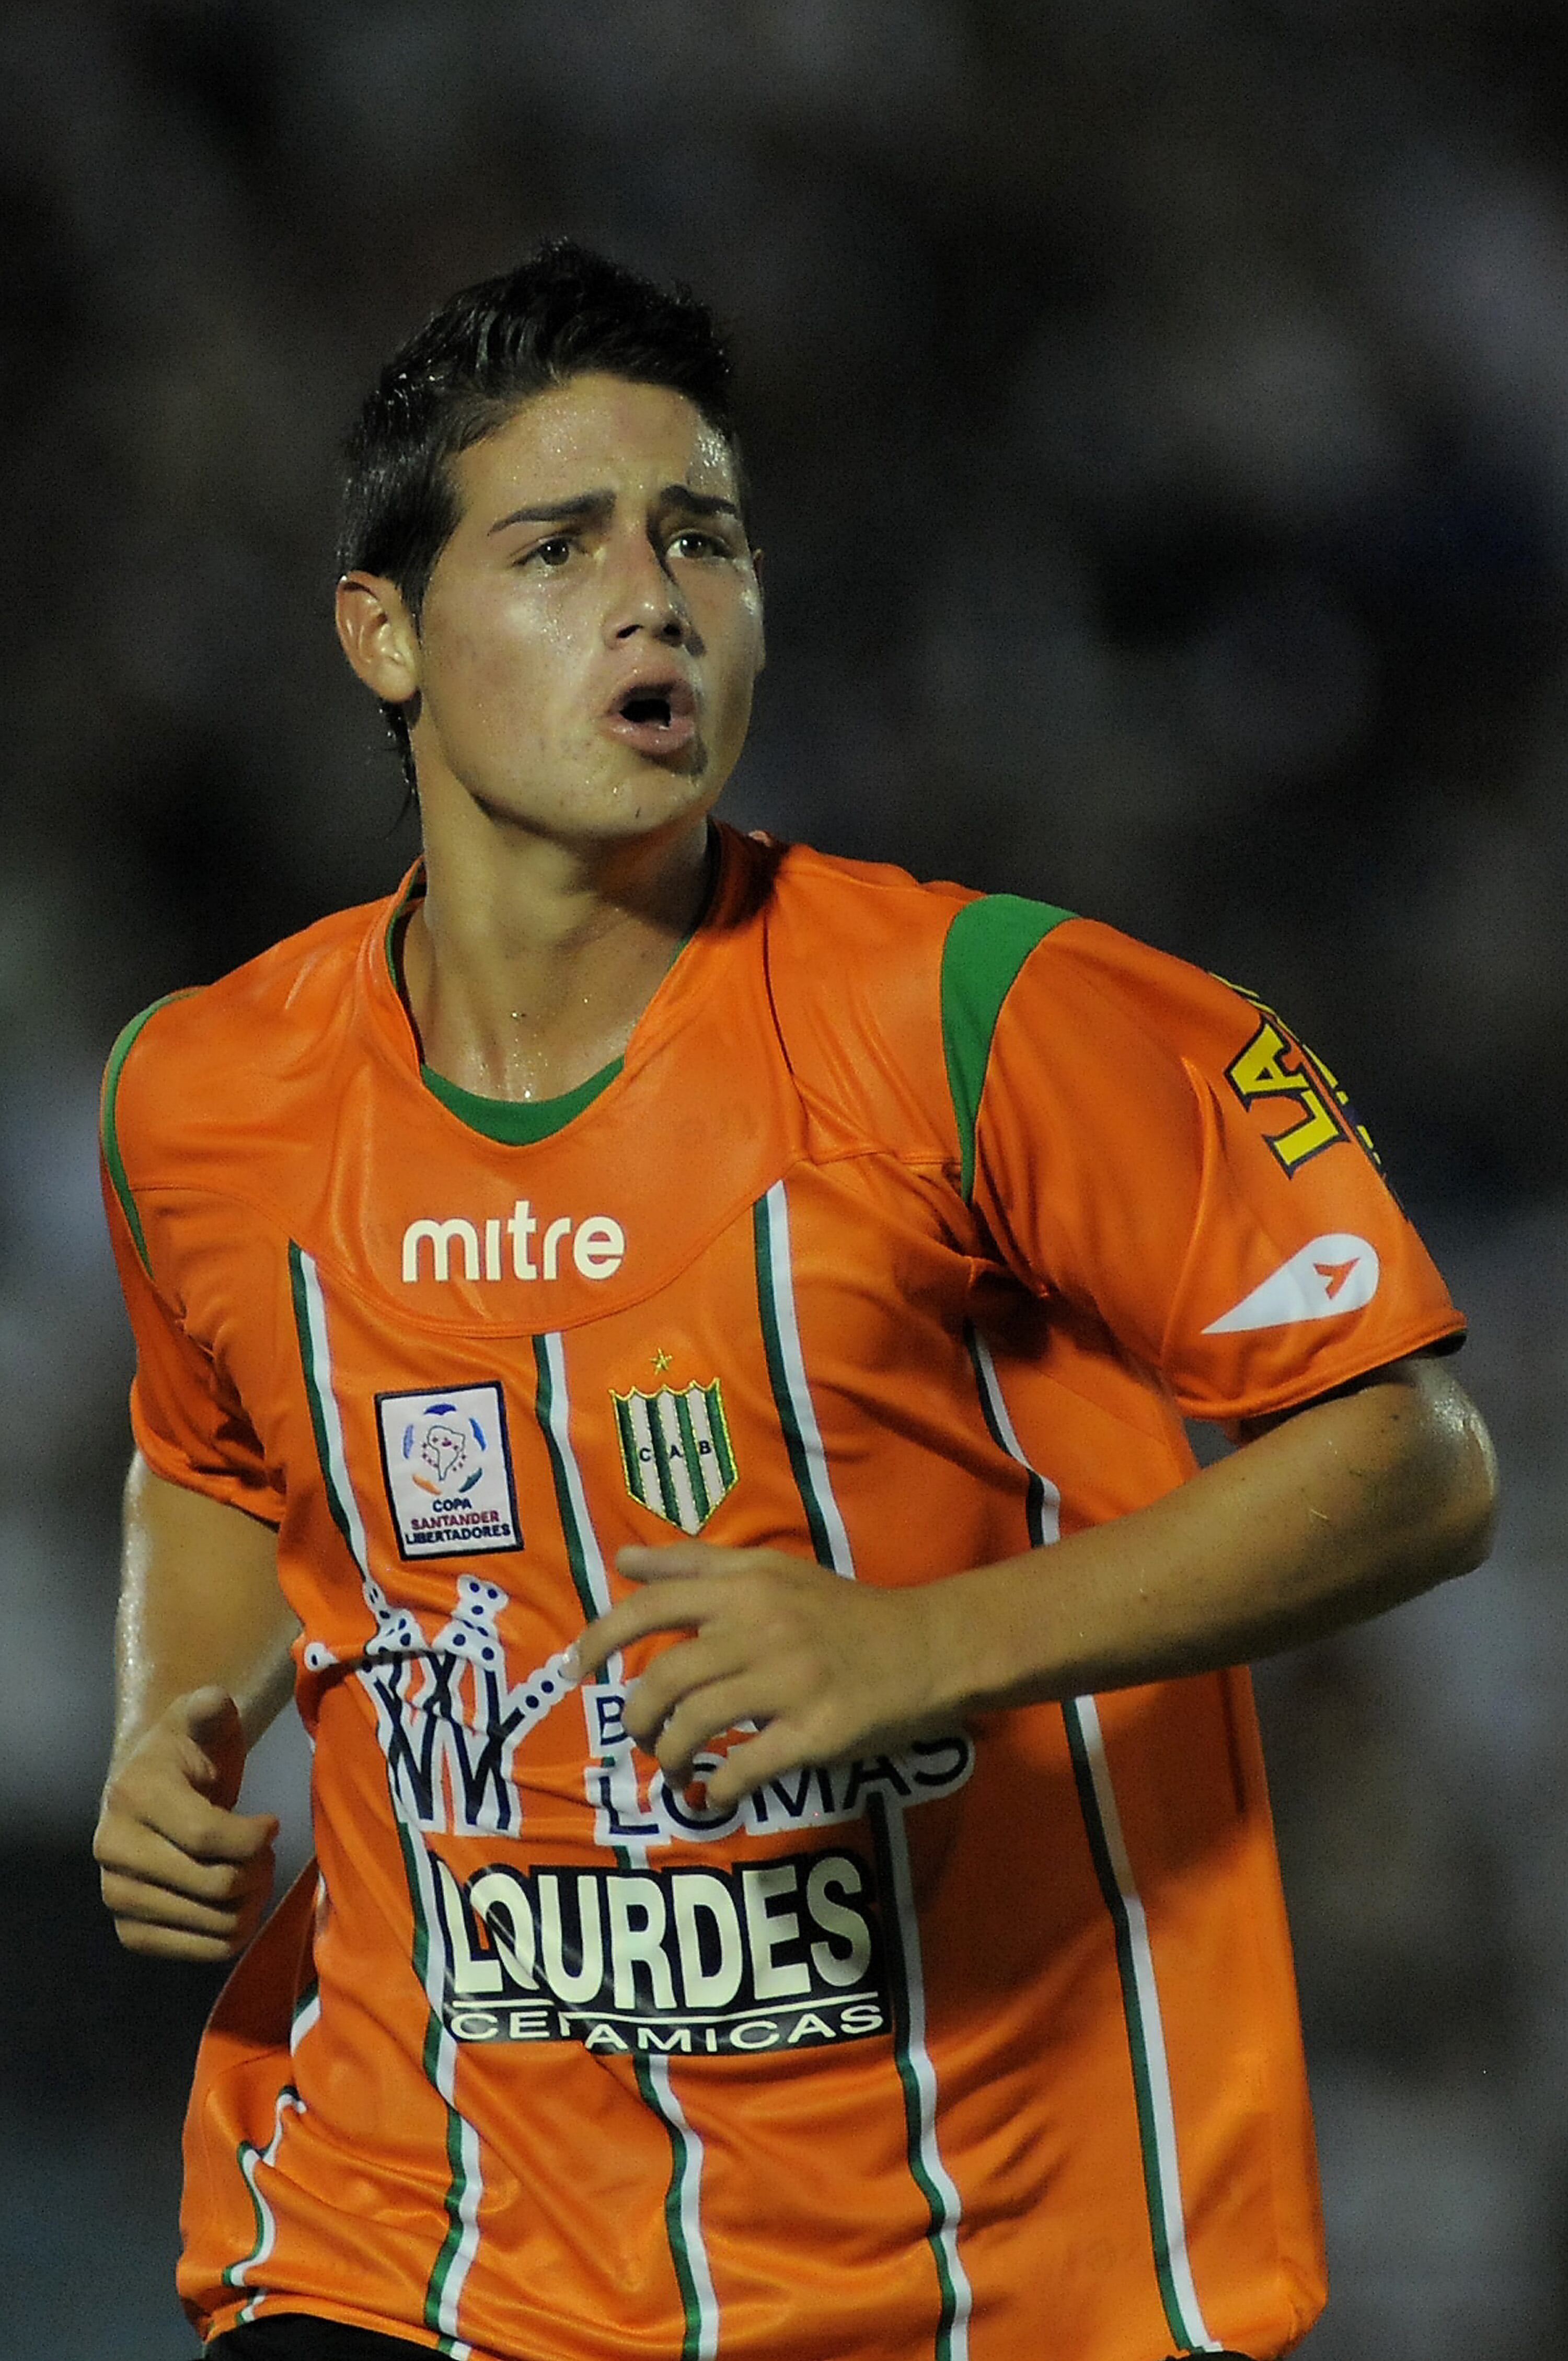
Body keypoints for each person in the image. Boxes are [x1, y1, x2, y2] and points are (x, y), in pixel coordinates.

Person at [94, 240, 1495, 2361]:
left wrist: (925, 1642)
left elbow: (1414, 1454)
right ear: (380, 634)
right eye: (560, 547)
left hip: (968, 2264)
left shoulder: (988, 1015)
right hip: (419, 2235)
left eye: (705, 540)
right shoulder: (200, 1094)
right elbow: (203, 1448)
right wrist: (169, 1721)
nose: (657, 598)